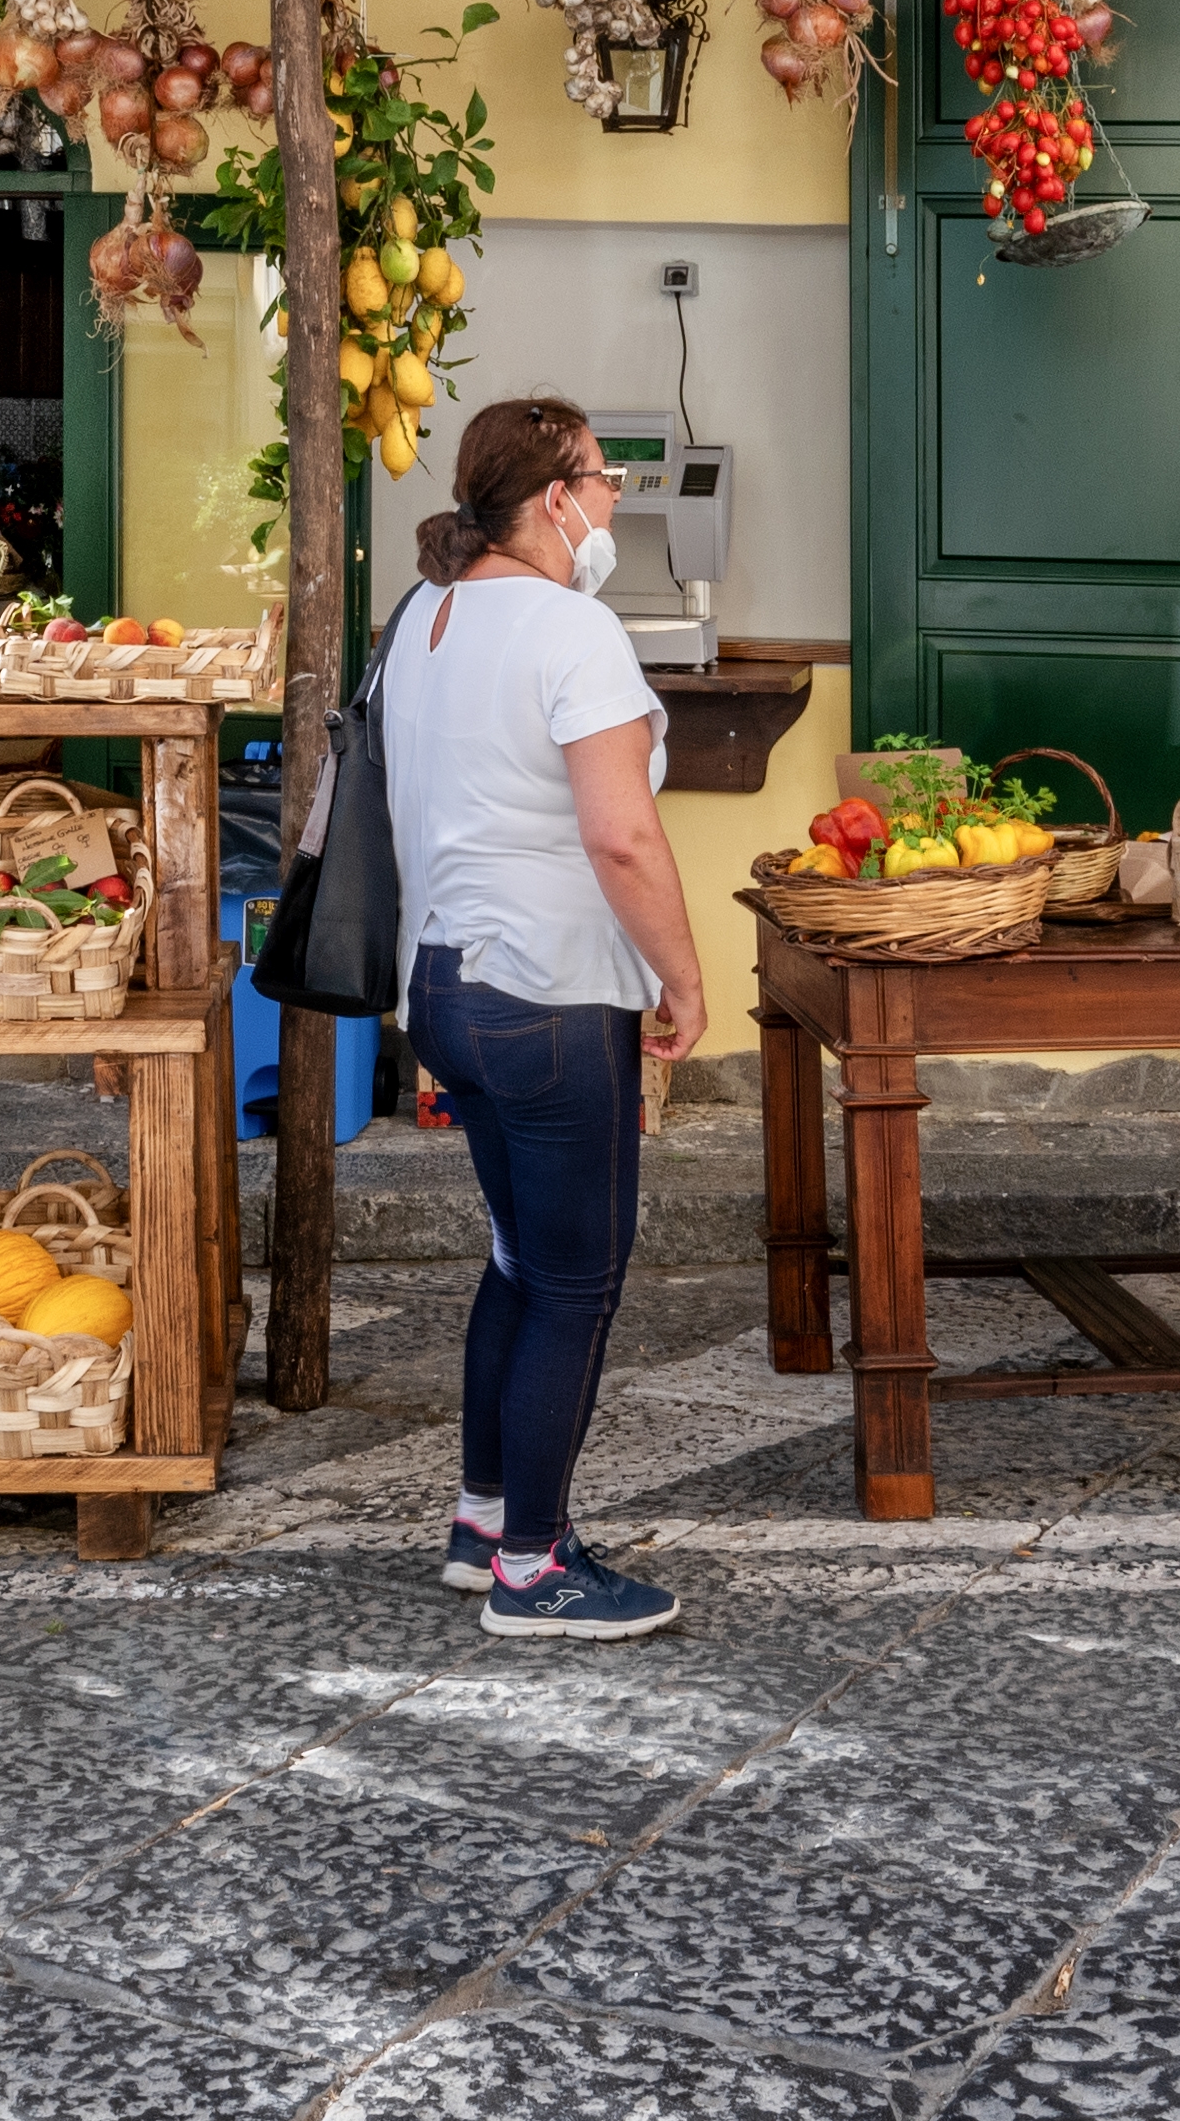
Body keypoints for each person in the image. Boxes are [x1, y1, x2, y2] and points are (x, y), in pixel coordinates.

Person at [384, 392, 712, 1640]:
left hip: (449, 990)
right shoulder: (574, 632)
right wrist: (681, 976)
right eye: (605, 476)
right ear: (552, 495)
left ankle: (485, 1520)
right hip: (555, 992)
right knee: (576, 1281)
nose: (618, 497)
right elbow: (621, 834)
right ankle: (535, 1566)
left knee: (519, 1261)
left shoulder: (426, 613)